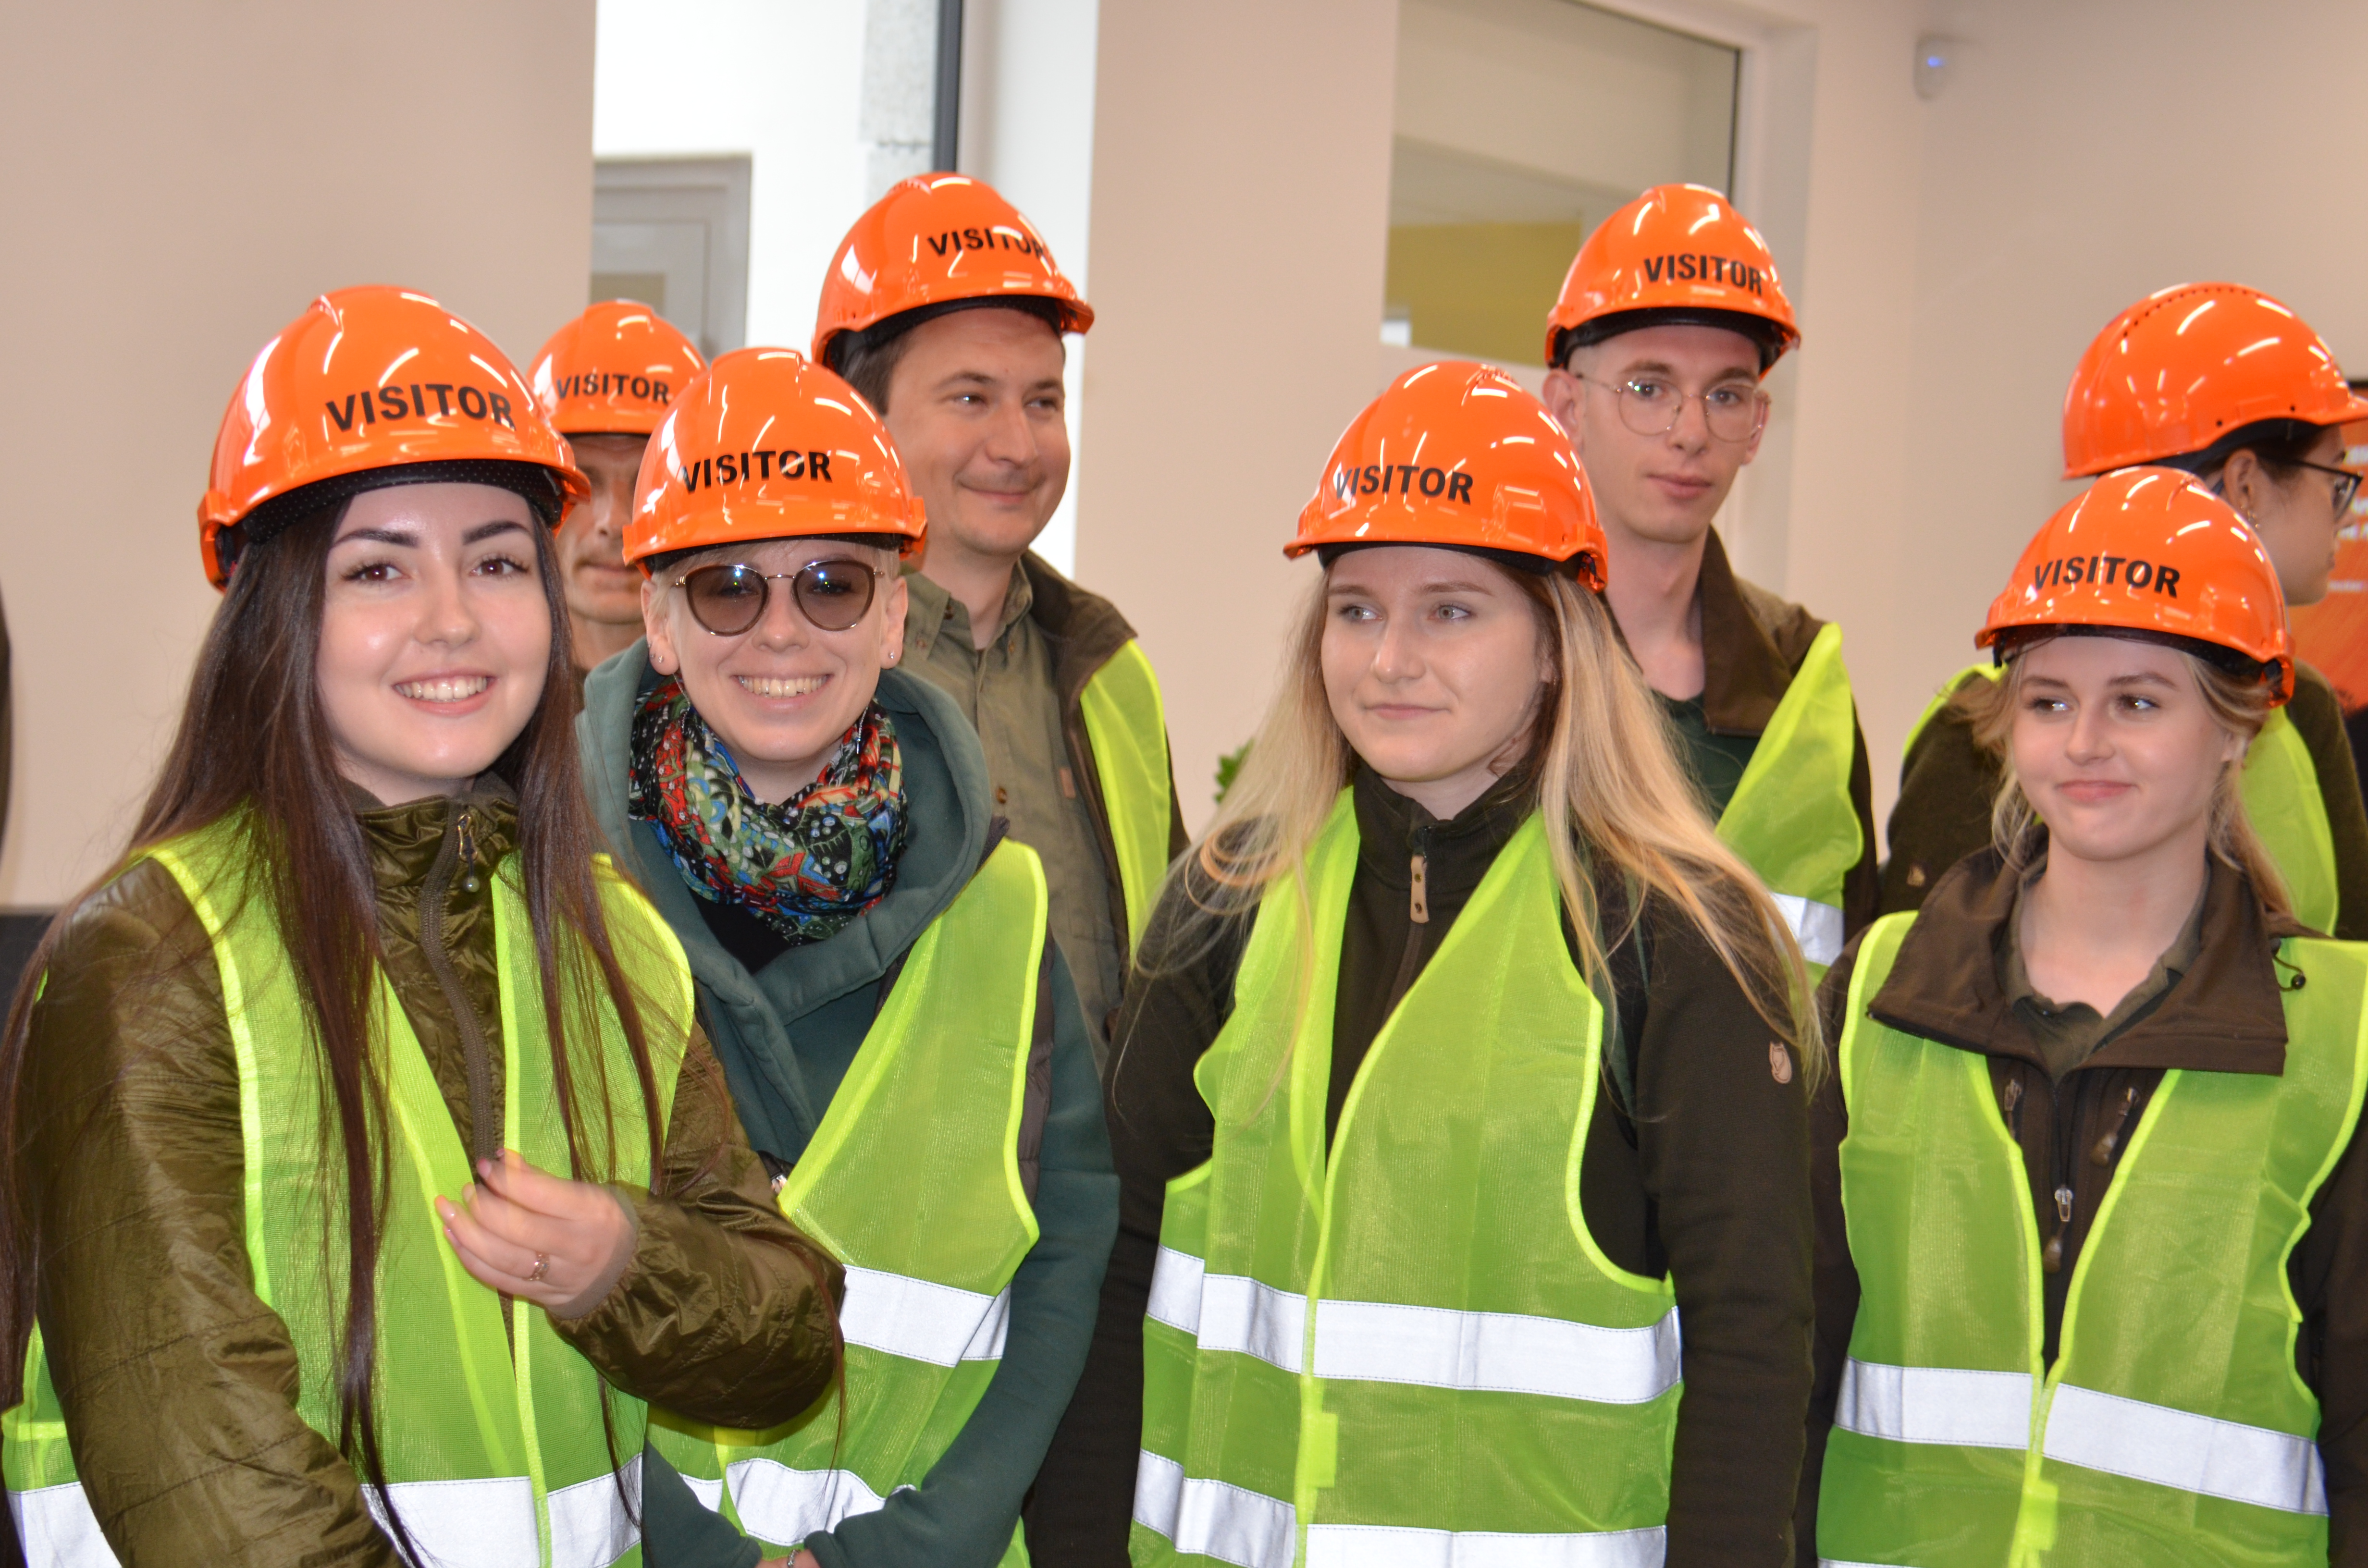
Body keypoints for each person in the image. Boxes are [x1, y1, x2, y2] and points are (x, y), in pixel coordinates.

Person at [0, 286, 841, 1566]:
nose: (453, 618)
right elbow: (218, 1487)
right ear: (279, 613)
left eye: (497, 561)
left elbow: (789, 1345)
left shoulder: (610, 938)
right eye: (379, 568)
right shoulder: (148, 963)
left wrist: (626, 1264)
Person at [1063, 363, 1821, 1565]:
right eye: (1357, 610)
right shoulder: (1229, 903)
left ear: (1559, 641)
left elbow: (1752, 1346)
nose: (1389, 660)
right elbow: (1109, 1278)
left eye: (1452, 612)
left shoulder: (1674, 938)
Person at [577, 346, 1116, 1567]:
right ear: (658, 618)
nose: (781, 630)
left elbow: (1062, 1261)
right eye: (726, 587)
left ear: (891, 614)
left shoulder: (1002, 907)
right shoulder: (553, 888)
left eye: (831, 583)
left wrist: (902, 1551)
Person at [1801, 466, 2368, 1565]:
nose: (2084, 742)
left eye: (2138, 703)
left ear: (2237, 728)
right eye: (2050, 701)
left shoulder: (2338, 1037)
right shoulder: (1879, 993)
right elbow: (1792, 1370)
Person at [813, 173, 1185, 1071]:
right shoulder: (786, 662)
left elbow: (1172, 974)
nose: (1018, 445)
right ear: (861, 419)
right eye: (971, 398)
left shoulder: (1108, 667)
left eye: (1043, 401)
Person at [1883, 283, 2368, 936]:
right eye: (2336, 483)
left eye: (2137, 702)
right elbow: (1926, 974)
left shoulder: (2301, 706)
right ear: (2246, 484)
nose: (2083, 742)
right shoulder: (1974, 733)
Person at [1540, 183, 1875, 968]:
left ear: (1756, 426)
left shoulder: (1800, 677)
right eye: (1648, 389)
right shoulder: (1504, 651)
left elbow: (1850, 966)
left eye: (1725, 395)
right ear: (1566, 407)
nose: (1690, 432)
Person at [529, 299, 709, 683]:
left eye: (646, 485)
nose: (615, 522)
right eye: (583, 481)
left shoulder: (740, 701)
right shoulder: (485, 699)